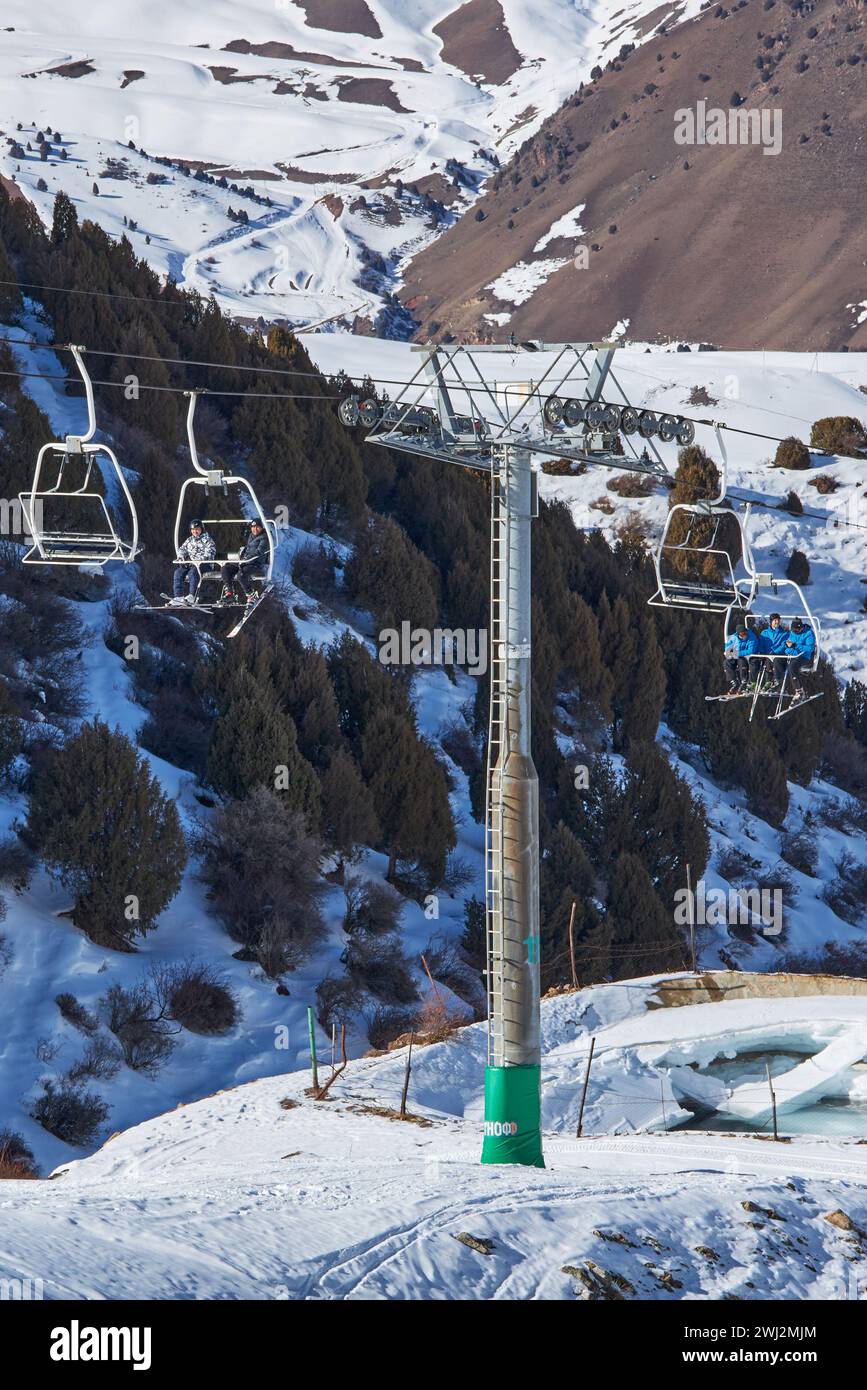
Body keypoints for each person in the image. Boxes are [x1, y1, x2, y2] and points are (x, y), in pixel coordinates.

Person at [218, 518, 269, 606]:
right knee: (225, 569)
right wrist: (242, 554)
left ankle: (250, 595)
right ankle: (230, 593)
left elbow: (259, 551)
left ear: (261, 527)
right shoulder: (251, 536)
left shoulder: (264, 537)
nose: (255, 529)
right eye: (253, 527)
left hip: (255, 564)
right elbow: (248, 547)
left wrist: (246, 558)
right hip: (244, 562)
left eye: (257, 527)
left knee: (241, 575)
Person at [171, 518, 217, 604]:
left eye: (197, 530)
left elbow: (209, 554)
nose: (195, 532)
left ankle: (192, 595)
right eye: (193, 530)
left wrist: (197, 561)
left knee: (193, 572)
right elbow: (182, 549)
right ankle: (178, 596)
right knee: (178, 572)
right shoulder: (189, 540)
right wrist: (182, 557)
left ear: (201, 530)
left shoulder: (208, 540)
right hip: (191, 564)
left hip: (204, 565)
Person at [783, 617, 816, 700]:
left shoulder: (808, 633)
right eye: (794, 630)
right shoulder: (792, 633)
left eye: (798, 630)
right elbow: (787, 648)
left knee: (792, 667)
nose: (796, 632)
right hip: (794, 655)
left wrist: (796, 646)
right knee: (779, 663)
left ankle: (799, 691)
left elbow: (810, 648)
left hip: (805, 656)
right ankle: (780, 686)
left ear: (801, 628)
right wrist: (790, 649)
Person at [723, 623, 759, 692]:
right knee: (726, 662)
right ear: (738, 634)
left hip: (748, 658)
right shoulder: (733, 638)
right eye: (742, 634)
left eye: (745, 633)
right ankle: (734, 682)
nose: (744, 636)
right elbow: (727, 650)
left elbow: (750, 650)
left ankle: (744, 681)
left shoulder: (751, 637)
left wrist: (736, 653)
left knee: (741, 661)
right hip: (737, 656)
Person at [757, 612, 789, 689]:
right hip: (768, 655)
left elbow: (784, 645)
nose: (777, 622)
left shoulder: (784, 634)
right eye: (775, 620)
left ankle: (777, 680)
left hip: (780, 656)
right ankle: (767, 682)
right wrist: (762, 653)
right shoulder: (764, 633)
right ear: (771, 621)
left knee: (775, 659)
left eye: (778, 620)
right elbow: (761, 645)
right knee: (766, 661)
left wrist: (775, 652)